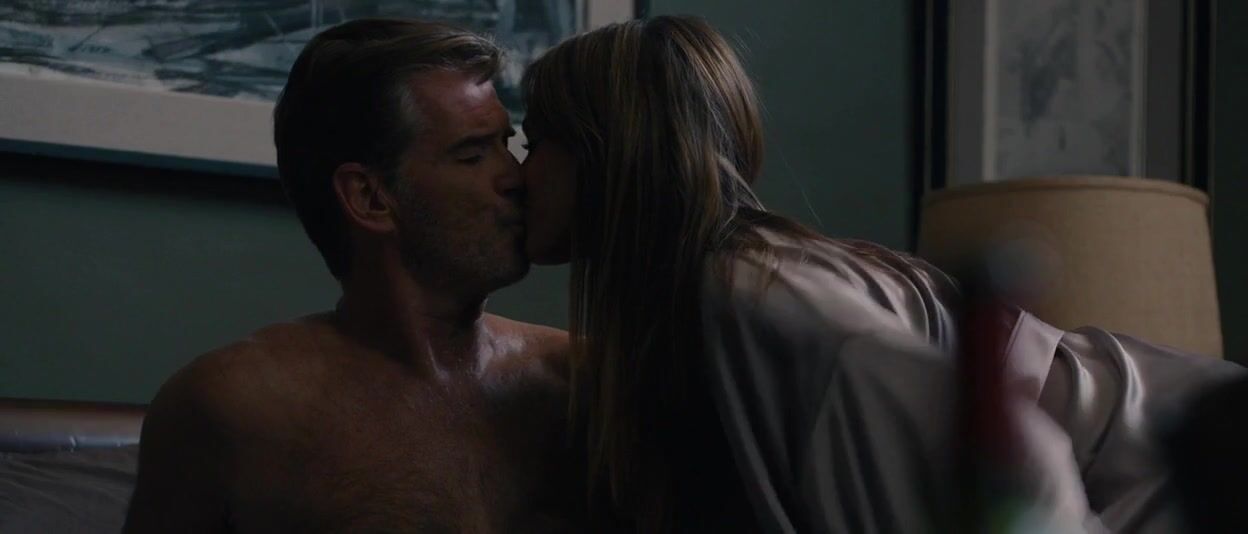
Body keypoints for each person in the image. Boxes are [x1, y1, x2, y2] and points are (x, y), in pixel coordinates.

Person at [518, 15, 1242, 533]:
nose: (519, 173)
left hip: (1188, 462)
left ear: (604, 158)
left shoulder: (756, 297)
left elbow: (1025, 457)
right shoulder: (723, 295)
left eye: (538, 141)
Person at [124, 19, 579, 533]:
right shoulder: (233, 406)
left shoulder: (575, 382)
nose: (515, 177)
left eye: (508, 144)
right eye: (473, 155)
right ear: (370, 197)